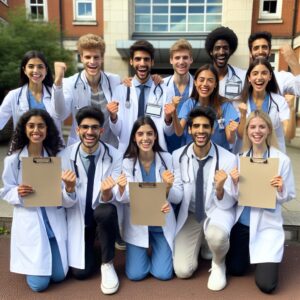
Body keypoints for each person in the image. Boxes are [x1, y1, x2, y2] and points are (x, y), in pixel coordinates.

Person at [0, 109, 70, 292]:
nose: (36, 130)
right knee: (39, 286)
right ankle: (32, 266)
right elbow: (6, 190)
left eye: (41, 125)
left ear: (47, 129)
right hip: (31, 222)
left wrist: (68, 188)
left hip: (53, 222)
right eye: (31, 126)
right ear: (24, 129)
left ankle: (45, 262)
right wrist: (18, 192)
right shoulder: (13, 160)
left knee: (59, 276)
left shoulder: (58, 157)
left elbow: (66, 193)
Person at [226, 110, 295, 294]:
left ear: (269, 130)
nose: (257, 131)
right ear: (247, 130)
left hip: (267, 226)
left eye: (262, 127)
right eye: (253, 127)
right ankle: (250, 253)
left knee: (267, 285)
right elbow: (233, 196)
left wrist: (281, 188)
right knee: (235, 269)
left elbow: (289, 195)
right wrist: (233, 183)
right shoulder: (239, 159)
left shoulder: (282, 161)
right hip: (242, 225)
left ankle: (264, 259)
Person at [170, 106, 237, 291]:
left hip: (216, 211)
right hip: (191, 214)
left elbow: (230, 203)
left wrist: (221, 188)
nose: (201, 131)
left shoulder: (228, 159)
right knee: (183, 271)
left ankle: (218, 262)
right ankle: (203, 244)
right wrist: (167, 189)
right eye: (196, 126)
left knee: (216, 236)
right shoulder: (178, 156)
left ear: (212, 129)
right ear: (189, 129)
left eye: (205, 126)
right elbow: (177, 197)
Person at [59, 106, 122, 295]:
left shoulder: (115, 155)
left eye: (95, 128)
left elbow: (116, 198)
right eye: (85, 127)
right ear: (77, 130)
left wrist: (106, 194)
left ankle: (107, 263)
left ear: (101, 131)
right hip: (79, 221)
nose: (89, 132)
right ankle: (94, 248)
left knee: (106, 209)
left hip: (102, 216)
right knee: (81, 273)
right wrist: (69, 190)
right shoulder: (64, 156)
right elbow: (62, 201)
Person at [115, 116, 176, 281]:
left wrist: (168, 188)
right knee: (136, 275)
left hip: (160, 223)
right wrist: (121, 188)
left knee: (163, 274)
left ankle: (157, 255)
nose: (145, 138)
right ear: (134, 137)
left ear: (155, 136)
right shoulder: (127, 163)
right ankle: (141, 256)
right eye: (140, 134)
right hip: (138, 224)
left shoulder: (168, 159)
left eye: (149, 133)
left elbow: (178, 196)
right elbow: (125, 197)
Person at [52, 33, 121, 147]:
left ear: (102, 58)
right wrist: (58, 82)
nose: (92, 62)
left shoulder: (114, 80)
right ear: (81, 58)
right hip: (80, 148)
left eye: (96, 57)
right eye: (88, 57)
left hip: (109, 148)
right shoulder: (70, 82)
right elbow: (60, 115)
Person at [107, 40, 173, 154]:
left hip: (155, 150)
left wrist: (168, 119)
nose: (142, 63)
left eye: (146, 59)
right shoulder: (120, 90)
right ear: (131, 62)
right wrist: (113, 117)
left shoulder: (165, 91)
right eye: (138, 59)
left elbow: (168, 132)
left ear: (152, 62)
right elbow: (117, 130)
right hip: (128, 150)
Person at [172, 64, 240, 151]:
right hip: (194, 155)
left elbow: (231, 140)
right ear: (195, 82)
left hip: (219, 156)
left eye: (210, 80)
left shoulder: (225, 106)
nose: (205, 84)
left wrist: (233, 131)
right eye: (201, 80)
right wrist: (174, 112)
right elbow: (179, 132)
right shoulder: (189, 104)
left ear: (215, 84)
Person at [0, 51, 61, 135]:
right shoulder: (14, 95)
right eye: (31, 66)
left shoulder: (55, 94)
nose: (35, 70)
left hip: (51, 146)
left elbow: (63, 115)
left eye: (40, 67)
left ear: (46, 70)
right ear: (24, 70)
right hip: (23, 146)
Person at [239, 58, 292, 153]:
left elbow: (289, 135)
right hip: (249, 156)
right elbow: (240, 135)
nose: (259, 77)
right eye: (255, 73)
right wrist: (243, 115)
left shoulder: (279, 101)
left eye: (264, 73)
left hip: (274, 156)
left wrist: (292, 109)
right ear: (249, 78)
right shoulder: (242, 102)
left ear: (270, 76)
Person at [164, 39, 194, 152]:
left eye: (185, 57)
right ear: (171, 60)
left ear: (191, 59)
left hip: (192, 145)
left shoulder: (199, 87)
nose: (181, 62)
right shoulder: (160, 86)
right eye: (177, 58)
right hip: (167, 145)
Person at [248, 31, 300, 96]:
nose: (260, 51)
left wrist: (294, 63)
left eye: (264, 47)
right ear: (250, 53)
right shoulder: (243, 77)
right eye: (256, 48)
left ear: (270, 52)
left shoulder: (282, 77)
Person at [205, 26, 246, 100]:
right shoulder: (203, 79)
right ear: (211, 52)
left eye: (225, 48)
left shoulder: (242, 76)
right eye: (217, 48)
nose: (221, 52)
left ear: (230, 51)